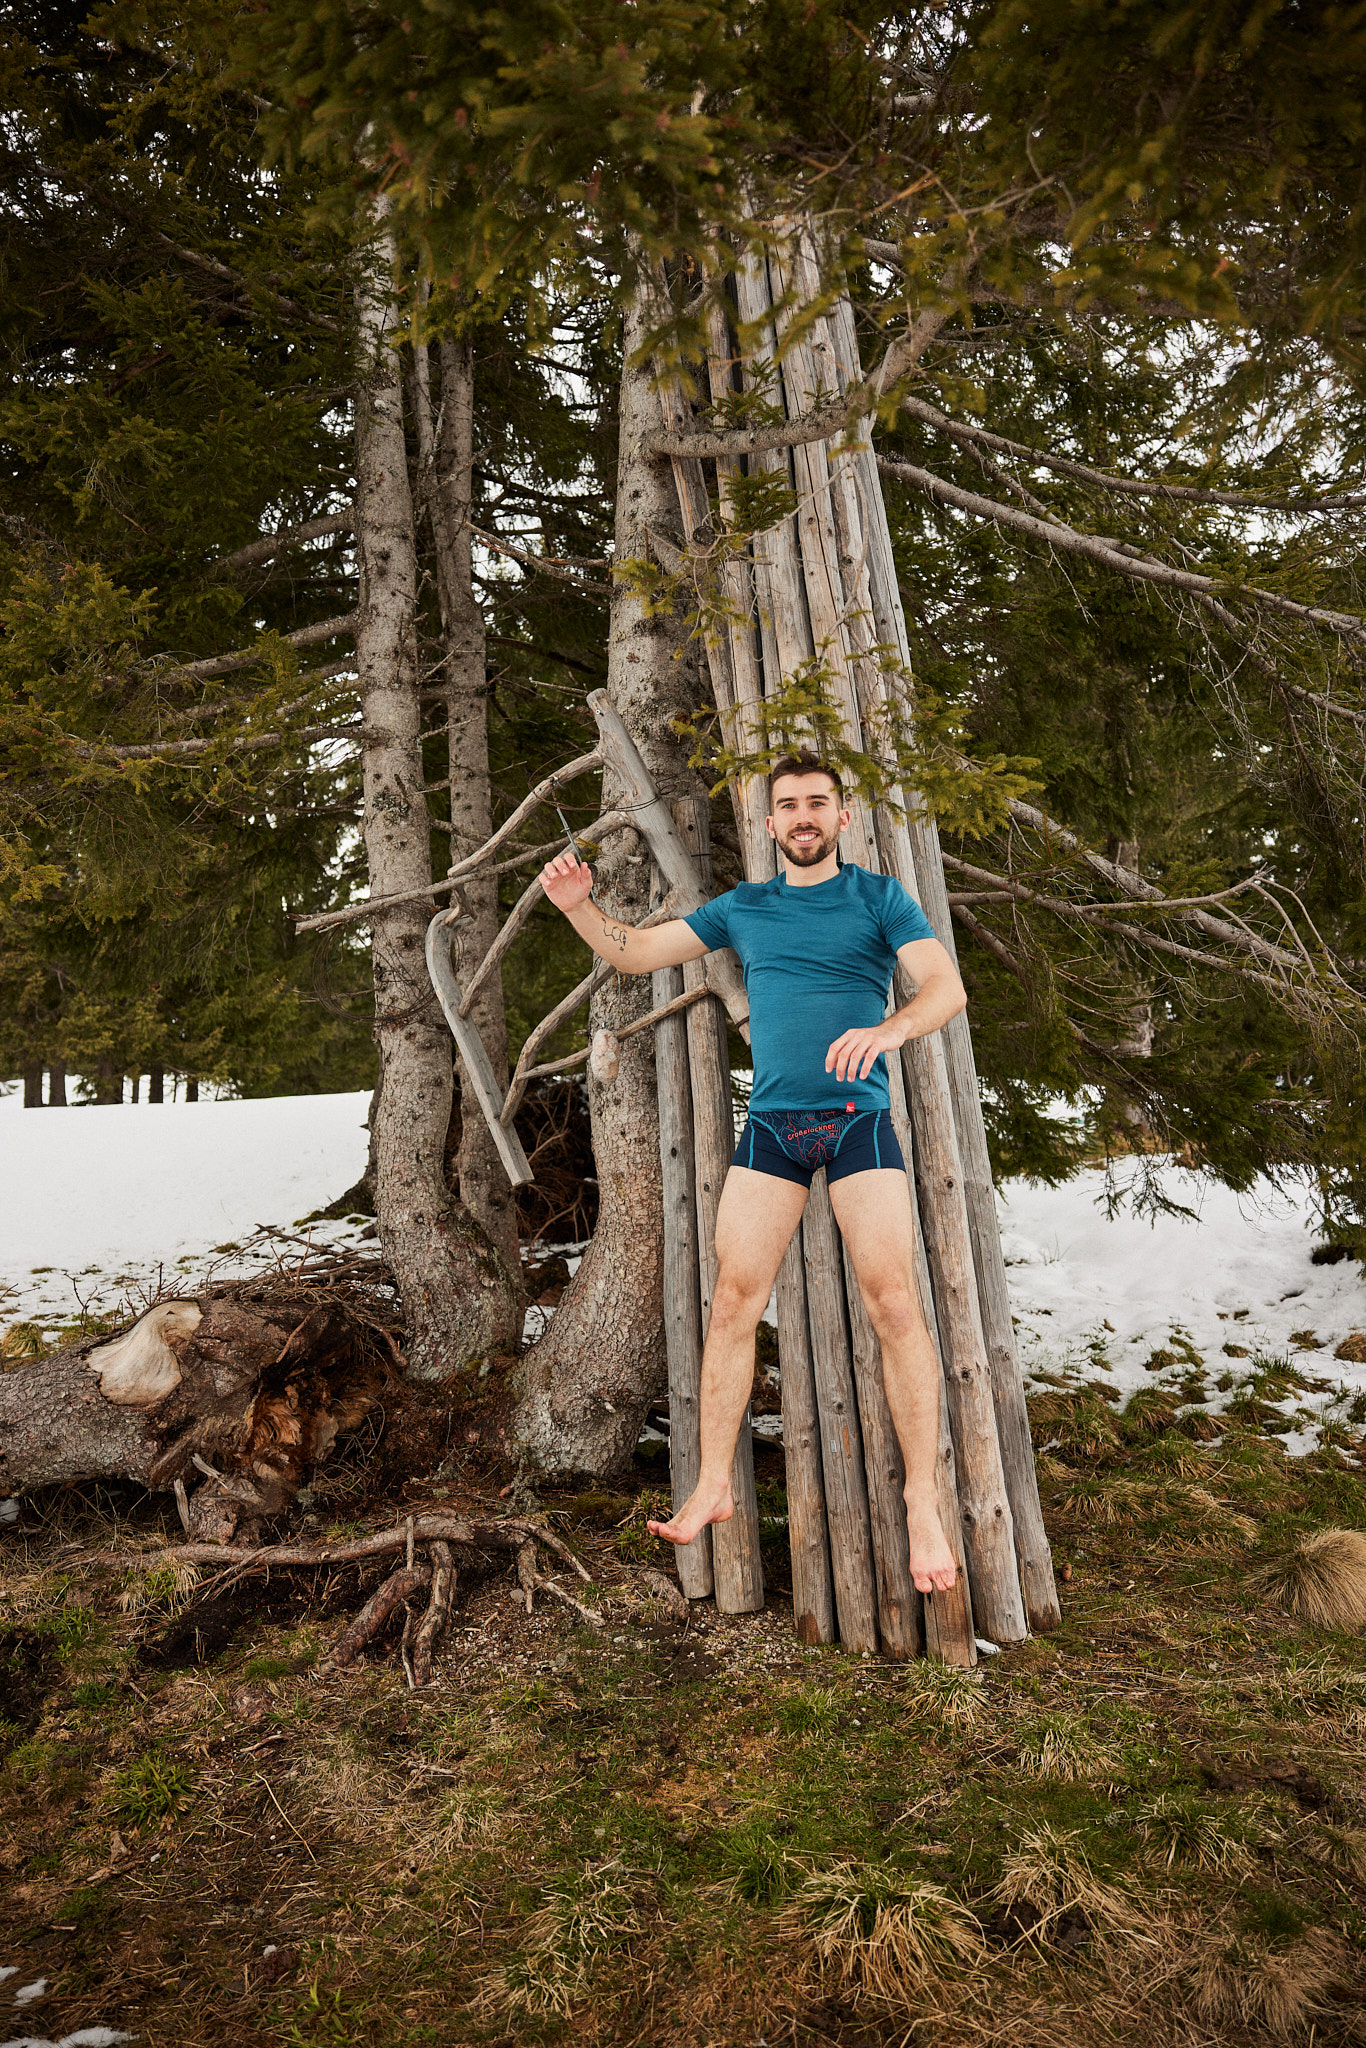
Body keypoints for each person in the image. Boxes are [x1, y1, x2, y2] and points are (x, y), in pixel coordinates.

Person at [538, 748, 964, 1593]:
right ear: (769, 826)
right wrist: (580, 908)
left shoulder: (879, 898)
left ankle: (923, 1502)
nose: (804, 817)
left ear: (843, 817)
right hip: (772, 1129)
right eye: (789, 806)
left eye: (819, 803)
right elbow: (633, 952)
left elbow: (945, 988)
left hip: (857, 1126)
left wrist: (891, 1032)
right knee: (733, 1300)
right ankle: (712, 1484)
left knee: (893, 1303)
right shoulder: (745, 908)